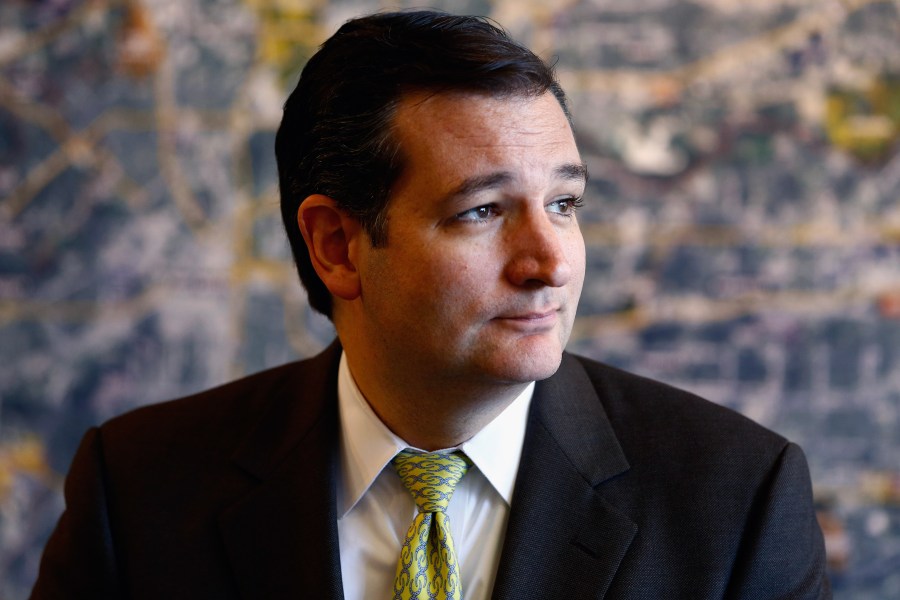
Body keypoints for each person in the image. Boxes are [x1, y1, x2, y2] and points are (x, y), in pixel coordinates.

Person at [31, 10, 830, 600]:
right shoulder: (137, 494)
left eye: (564, 203)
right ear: (338, 246)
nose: (550, 262)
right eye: (482, 211)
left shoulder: (736, 500)